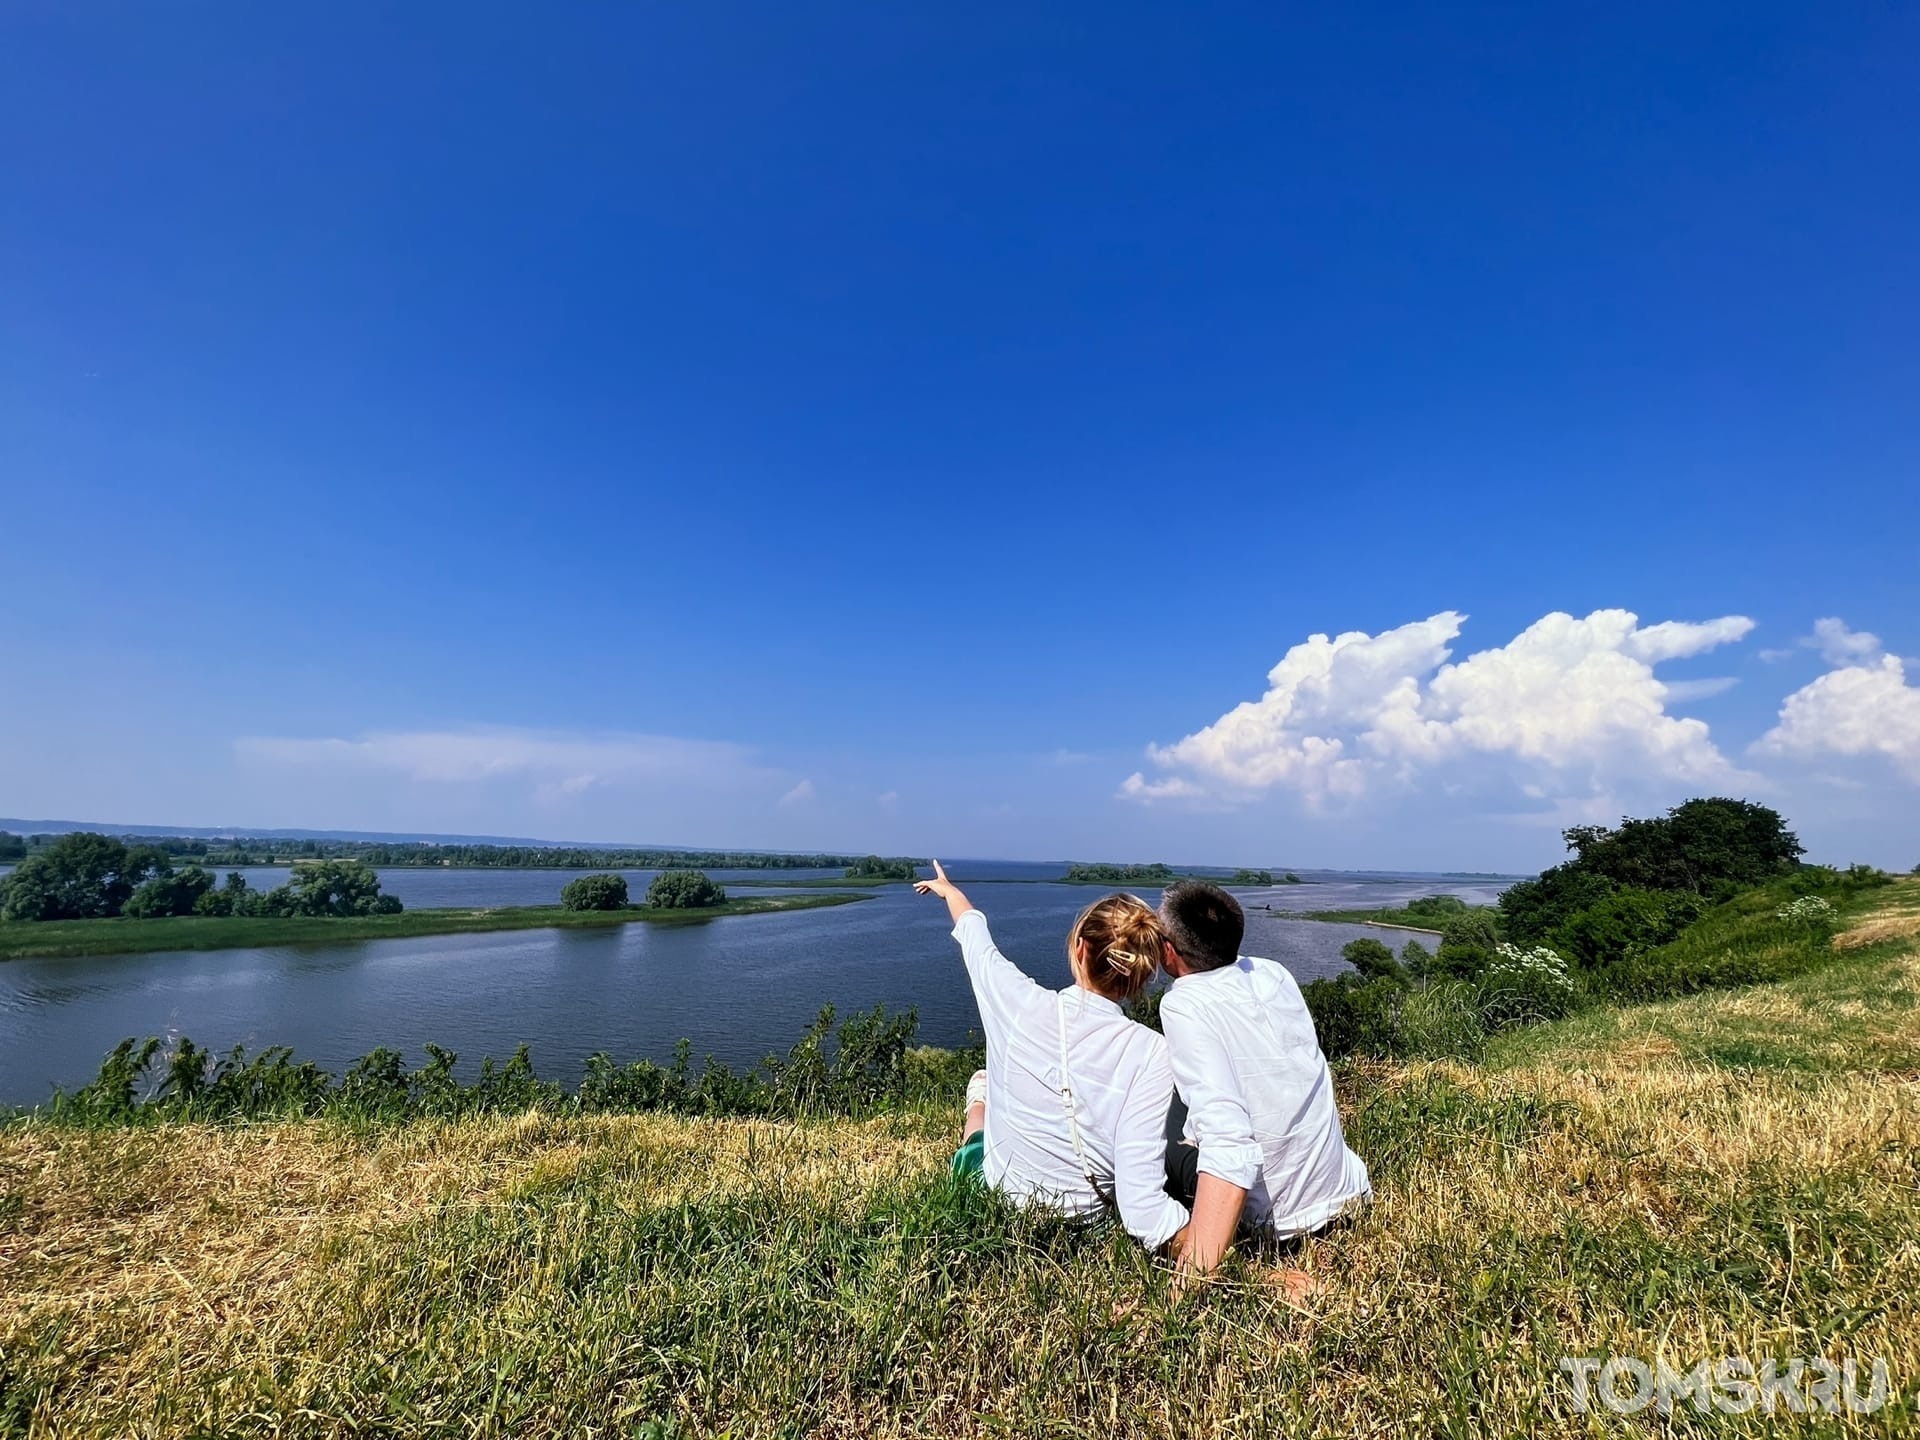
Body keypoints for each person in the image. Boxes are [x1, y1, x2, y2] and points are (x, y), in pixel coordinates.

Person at [914, 859, 1191, 1255]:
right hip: (1085, 1227)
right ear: (1142, 977)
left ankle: (979, 1096)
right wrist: (1206, 1243)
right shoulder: (1153, 1053)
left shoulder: (1017, 1001)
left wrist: (950, 890)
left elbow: (975, 935)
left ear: (1080, 947)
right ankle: (981, 1093)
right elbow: (1140, 1193)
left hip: (1000, 1196)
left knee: (977, 1129)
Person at [1156, 880, 1371, 1276]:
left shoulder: (1182, 1003)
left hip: (1277, 1223)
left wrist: (1187, 1283)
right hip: (1345, 1192)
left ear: (1168, 951)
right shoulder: (1274, 972)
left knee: (1155, 1118)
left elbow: (1228, 1138)